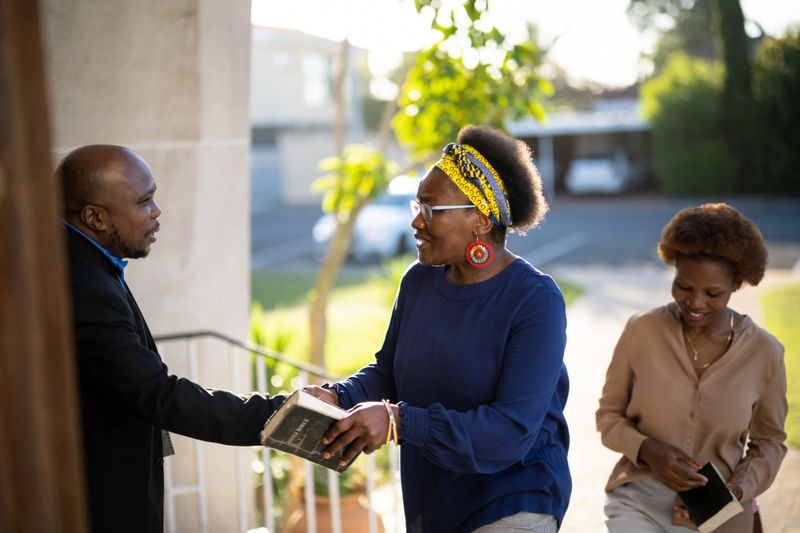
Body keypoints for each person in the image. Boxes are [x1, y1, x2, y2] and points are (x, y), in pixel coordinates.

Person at [306, 125, 571, 533]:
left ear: (480, 221)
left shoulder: (534, 300)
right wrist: (338, 395)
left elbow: (510, 431)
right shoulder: (418, 282)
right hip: (433, 500)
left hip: (513, 498)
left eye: (430, 209)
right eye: (417, 204)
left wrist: (399, 420)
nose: (415, 221)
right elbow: (389, 374)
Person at [59, 145, 285, 533]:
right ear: (94, 217)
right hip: (101, 502)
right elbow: (158, 395)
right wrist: (280, 415)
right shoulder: (81, 283)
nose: (157, 212)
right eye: (144, 201)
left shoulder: (83, 261)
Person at [596, 203, 788, 532]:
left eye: (712, 293)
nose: (695, 303)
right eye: (684, 287)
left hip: (720, 514)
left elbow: (769, 442)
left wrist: (736, 490)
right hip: (639, 502)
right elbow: (608, 417)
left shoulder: (765, 352)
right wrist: (648, 450)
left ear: (737, 285)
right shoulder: (640, 330)